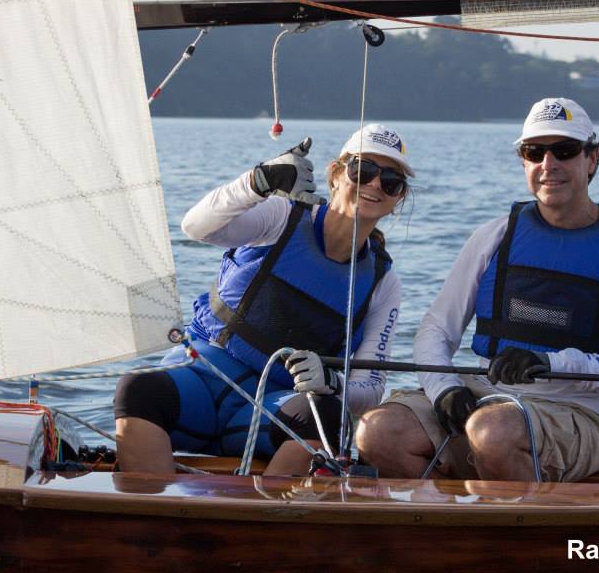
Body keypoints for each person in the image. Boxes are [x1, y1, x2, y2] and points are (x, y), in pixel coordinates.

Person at [356, 98, 599, 482]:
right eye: (534, 152)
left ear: (593, 158)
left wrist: (555, 364)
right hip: (486, 398)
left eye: (564, 151)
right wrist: (444, 388)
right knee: (378, 432)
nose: (548, 164)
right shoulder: (493, 235)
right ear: (523, 161)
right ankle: (459, 513)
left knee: (492, 434)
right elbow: (436, 331)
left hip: (578, 411)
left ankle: (513, 511)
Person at [115, 124, 412, 475]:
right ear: (336, 174)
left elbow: (371, 387)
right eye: (363, 170)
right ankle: (150, 502)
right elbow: (195, 227)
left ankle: (263, 508)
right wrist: (258, 181)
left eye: (391, 181)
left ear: (398, 199)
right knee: (138, 388)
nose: (375, 184)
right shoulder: (279, 216)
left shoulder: (383, 283)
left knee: (328, 415)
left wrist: (333, 383)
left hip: (269, 407)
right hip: (201, 377)